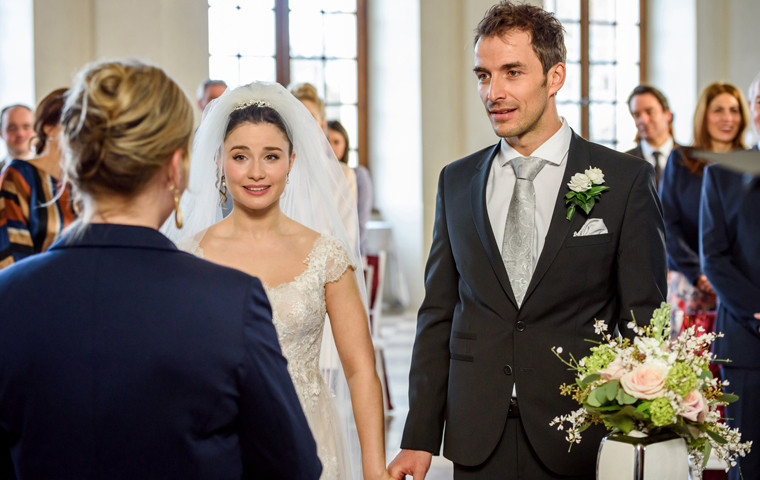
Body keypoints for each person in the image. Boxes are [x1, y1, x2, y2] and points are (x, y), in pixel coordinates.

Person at [0, 59, 321, 479]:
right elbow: (292, 466)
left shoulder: (8, 296)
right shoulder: (230, 301)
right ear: (175, 166)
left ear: (74, 163)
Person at [388, 2, 666, 479]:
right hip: (477, 434)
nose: (493, 92)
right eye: (483, 75)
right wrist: (418, 437)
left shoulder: (623, 181)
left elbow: (643, 319)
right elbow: (437, 313)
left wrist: (642, 427)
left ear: (554, 77)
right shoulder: (456, 182)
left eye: (512, 72)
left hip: (580, 431)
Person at [163, 82, 389, 480]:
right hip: (220, 443)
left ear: (291, 161)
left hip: (309, 439)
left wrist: (374, 470)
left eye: (271, 156)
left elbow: (360, 369)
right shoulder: (187, 256)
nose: (256, 172)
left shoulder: (326, 255)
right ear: (219, 161)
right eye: (240, 156)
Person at [659, 82, 748, 331]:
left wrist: (724, 274)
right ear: (704, 115)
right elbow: (667, 223)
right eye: (718, 110)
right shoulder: (681, 160)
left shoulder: (751, 164)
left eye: (734, 110)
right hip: (689, 282)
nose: (727, 118)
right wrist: (699, 272)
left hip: (738, 282)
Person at [700, 164, 760, 480]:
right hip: (746, 345)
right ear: (752, 110)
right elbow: (713, 257)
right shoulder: (722, 174)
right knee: (748, 464)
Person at [0, 89, 76, 269]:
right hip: (34, 288)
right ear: (48, 128)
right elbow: (10, 255)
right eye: (73, 122)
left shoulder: (86, 180)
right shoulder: (20, 175)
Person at [328, 119, 374, 255]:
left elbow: (360, 219)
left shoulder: (357, 175)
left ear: (345, 145)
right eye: (326, 140)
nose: (330, 146)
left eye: (336, 142)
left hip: (351, 248)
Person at [625, 85, 678, 187]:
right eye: (637, 115)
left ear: (668, 115)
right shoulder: (625, 162)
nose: (643, 120)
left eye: (650, 112)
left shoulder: (689, 160)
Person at [0, 104, 34, 170]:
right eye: (12, 128)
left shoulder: (51, 172)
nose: (20, 134)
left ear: (36, 131)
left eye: (26, 127)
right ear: (1, 133)